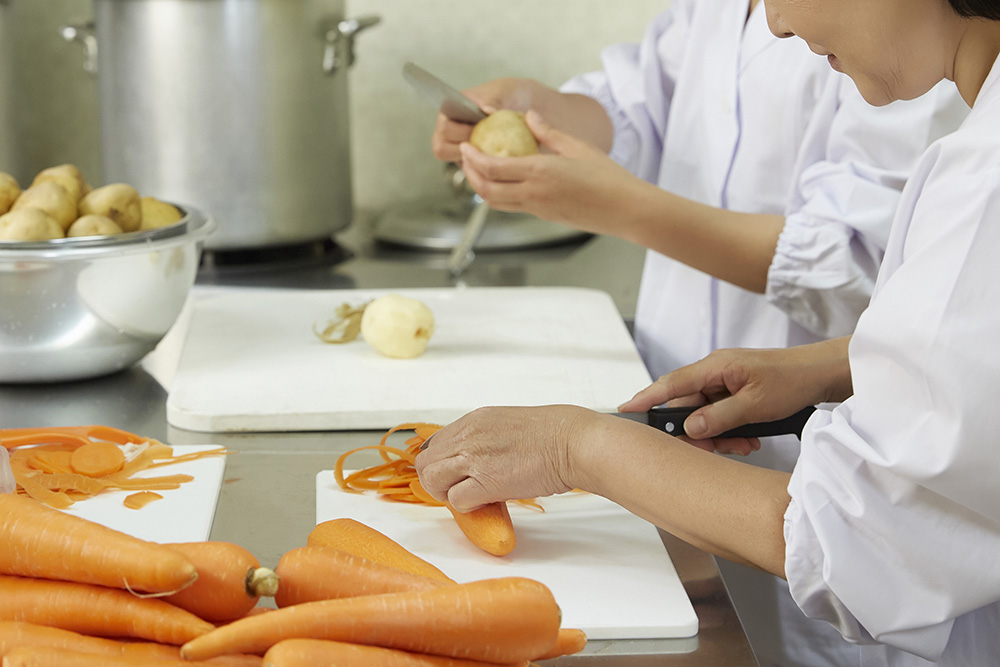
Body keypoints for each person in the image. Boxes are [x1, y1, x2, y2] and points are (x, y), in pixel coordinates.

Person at [417, 0, 1000, 664]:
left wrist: (576, 447)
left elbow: (871, 540)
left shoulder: (983, 180)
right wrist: (837, 365)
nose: (775, 22)